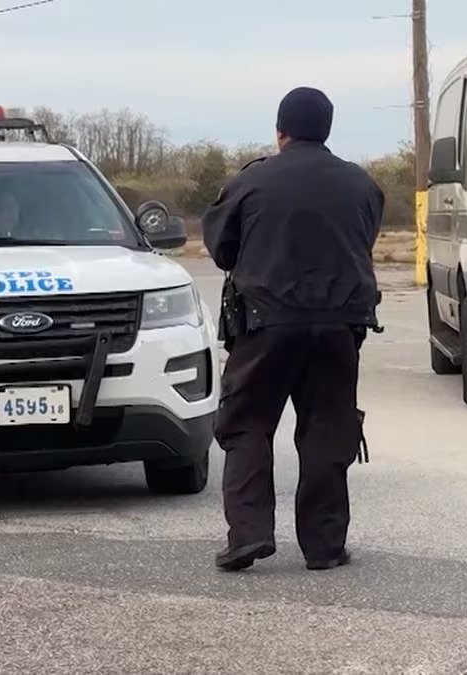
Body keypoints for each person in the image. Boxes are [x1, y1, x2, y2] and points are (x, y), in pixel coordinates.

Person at [201, 87, 384, 572]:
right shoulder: (361, 184)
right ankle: (324, 547)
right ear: (327, 129)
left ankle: (249, 535)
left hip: (266, 324)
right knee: (328, 428)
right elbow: (364, 240)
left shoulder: (252, 181)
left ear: (280, 131)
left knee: (246, 424)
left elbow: (222, 248)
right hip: (340, 327)